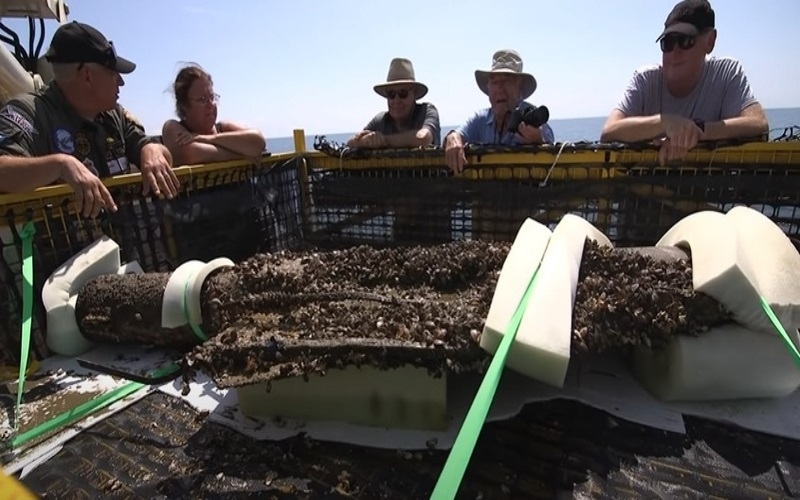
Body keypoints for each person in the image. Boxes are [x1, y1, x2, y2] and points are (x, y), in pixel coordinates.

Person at [0, 21, 178, 218]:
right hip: (67, 247)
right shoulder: (31, 113)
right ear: (87, 76)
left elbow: (154, 149)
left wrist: (152, 151)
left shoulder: (114, 115)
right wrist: (60, 165)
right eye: (112, 72)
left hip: (123, 244)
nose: (121, 81)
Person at [600, 0, 769, 165]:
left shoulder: (726, 72)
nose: (674, 52)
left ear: (709, 41)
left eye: (684, 41)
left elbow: (758, 123)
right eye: (667, 43)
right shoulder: (645, 80)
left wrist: (695, 132)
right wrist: (665, 123)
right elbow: (609, 132)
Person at [443, 49, 555, 174]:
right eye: (495, 82)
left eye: (507, 81)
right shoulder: (480, 119)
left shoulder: (532, 118)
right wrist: (453, 138)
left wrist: (538, 142)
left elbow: (550, 148)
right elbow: (457, 135)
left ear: (520, 88)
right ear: (488, 90)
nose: (500, 88)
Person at [161, 64, 266, 166]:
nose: (211, 104)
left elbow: (258, 141)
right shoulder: (172, 128)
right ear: (184, 106)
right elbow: (192, 154)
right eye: (202, 99)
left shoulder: (223, 128)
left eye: (212, 97)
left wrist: (206, 138)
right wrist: (242, 154)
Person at [346, 58, 440, 149]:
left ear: (414, 94)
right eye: (391, 94)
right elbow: (350, 142)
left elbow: (423, 138)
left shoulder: (427, 111)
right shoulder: (381, 120)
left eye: (403, 93)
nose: (396, 100)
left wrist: (384, 140)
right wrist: (367, 141)